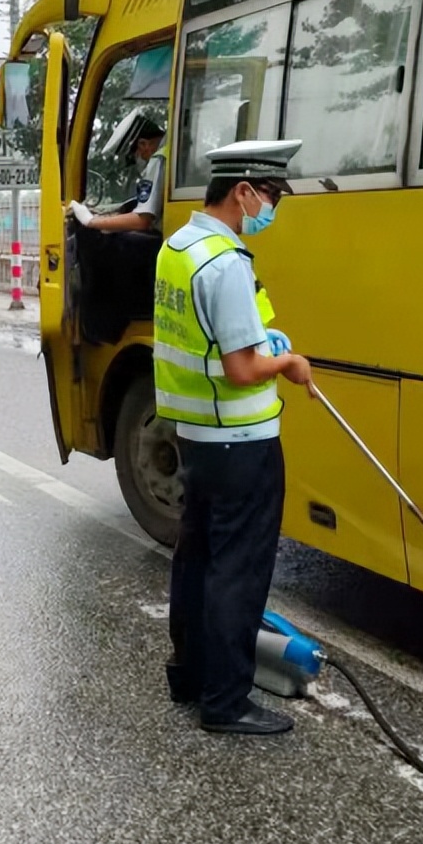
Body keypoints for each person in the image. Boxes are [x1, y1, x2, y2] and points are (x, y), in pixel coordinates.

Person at [153, 139, 314, 735]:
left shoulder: (180, 247)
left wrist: (261, 346)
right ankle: (226, 702)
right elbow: (242, 368)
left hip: (196, 434)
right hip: (238, 436)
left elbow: (206, 338)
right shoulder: (225, 264)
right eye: (270, 196)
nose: (272, 208)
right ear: (243, 191)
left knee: (196, 560)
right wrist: (289, 363)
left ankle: (191, 677)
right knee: (236, 573)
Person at [68, 108, 166, 233]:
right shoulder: (172, 152)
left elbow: (142, 221)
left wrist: (91, 221)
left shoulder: (158, 160)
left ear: (143, 144)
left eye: (134, 155)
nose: (138, 160)